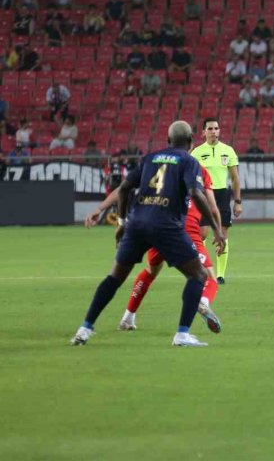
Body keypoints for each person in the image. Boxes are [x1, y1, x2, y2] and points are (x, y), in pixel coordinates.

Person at [70, 121, 226, 347]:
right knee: (199, 276)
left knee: (115, 277)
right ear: (192, 141)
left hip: (137, 222)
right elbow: (196, 193)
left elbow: (124, 188)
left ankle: (84, 329)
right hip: (167, 225)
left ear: (168, 140)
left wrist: (122, 222)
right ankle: (182, 334)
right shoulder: (189, 161)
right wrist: (216, 229)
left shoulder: (149, 158)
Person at [84, 166, 223, 333]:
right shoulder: (198, 170)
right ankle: (202, 304)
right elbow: (212, 207)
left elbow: (124, 188)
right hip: (182, 229)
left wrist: (100, 209)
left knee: (150, 271)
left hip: (155, 225)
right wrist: (218, 230)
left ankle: (127, 317)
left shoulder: (156, 165)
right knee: (209, 279)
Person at [191, 118, 242, 284]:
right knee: (202, 233)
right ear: (203, 132)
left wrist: (238, 201)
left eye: (216, 128)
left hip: (222, 195)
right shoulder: (196, 153)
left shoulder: (228, 150)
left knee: (223, 235)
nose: (214, 131)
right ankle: (204, 270)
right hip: (203, 195)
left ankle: (220, 275)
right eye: (210, 128)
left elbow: (235, 178)